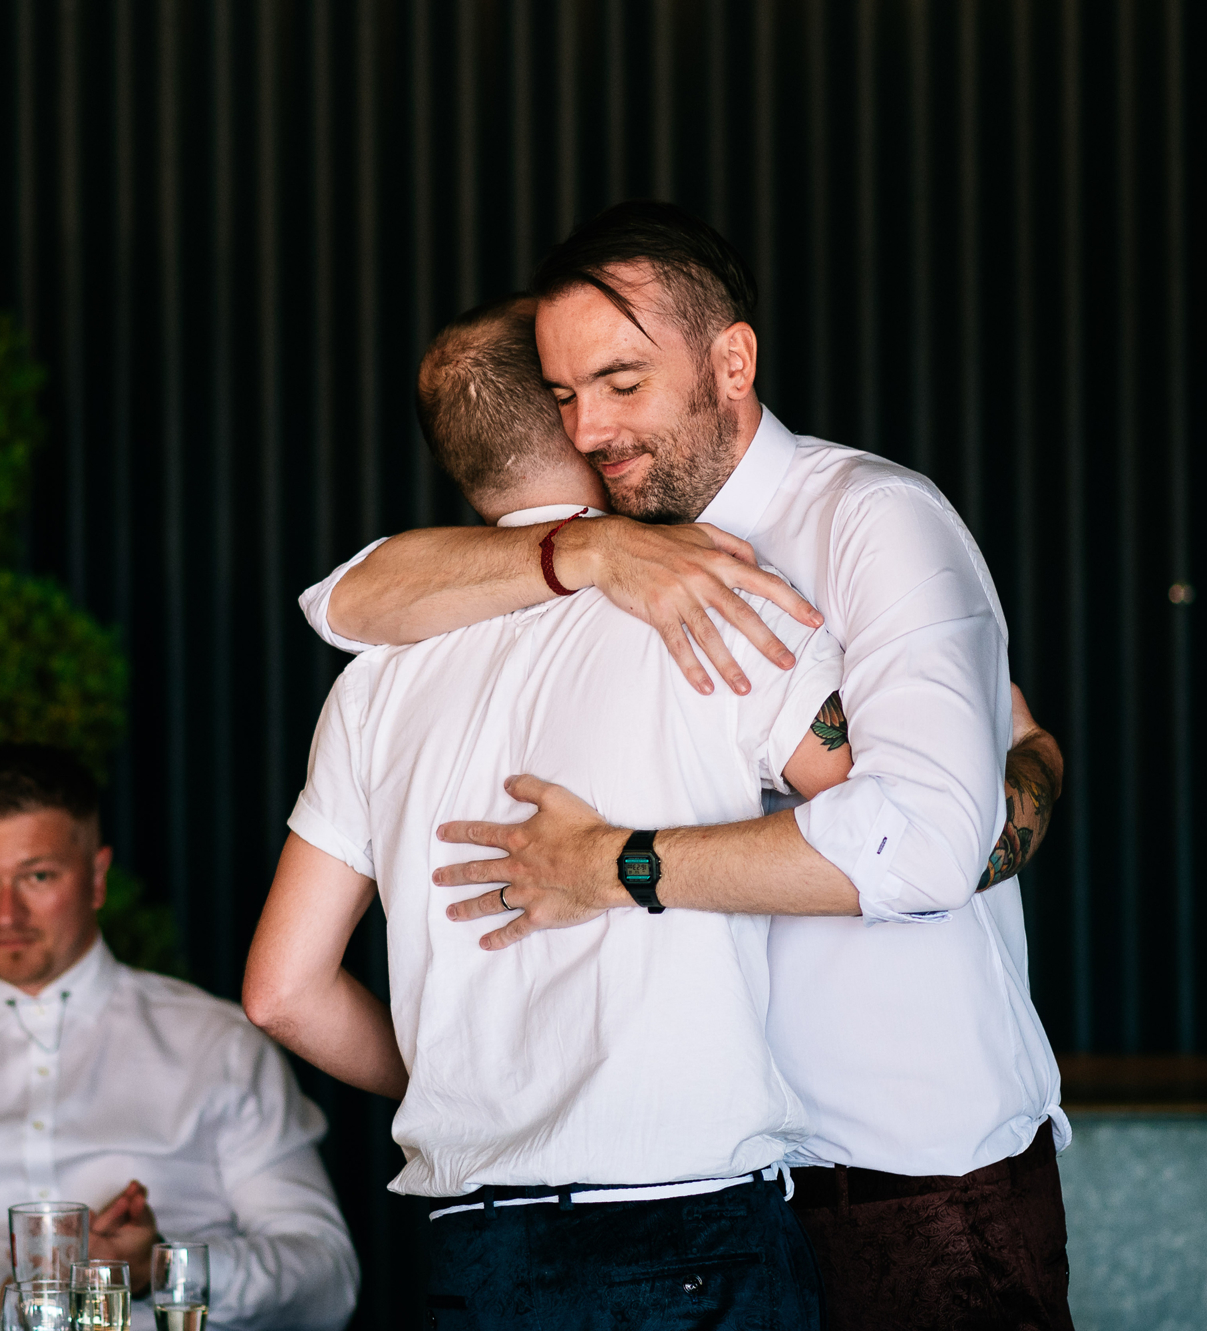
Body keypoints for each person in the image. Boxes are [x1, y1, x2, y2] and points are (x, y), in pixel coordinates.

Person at [297, 202, 1070, 1331]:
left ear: (730, 360)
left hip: (901, 1176)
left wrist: (616, 865)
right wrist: (595, 547)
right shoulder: (603, 554)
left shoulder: (874, 520)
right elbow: (347, 598)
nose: (593, 426)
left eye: (619, 382)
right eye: (563, 398)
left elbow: (925, 845)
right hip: (717, 1195)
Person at [245, 295, 861, 1327]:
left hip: (472, 1246)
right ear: (577, 420)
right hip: (688, 1229)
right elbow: (890, 826)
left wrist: (455, 1075)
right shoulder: (703, 594)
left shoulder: (374, 682)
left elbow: (280, 989)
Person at [0, 744, 358, 1331]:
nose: (5, 914)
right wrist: (25, 1304)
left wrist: (158, 1268)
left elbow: (327, 1278)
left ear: (96, 877)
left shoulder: (217, 1043)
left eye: (37, 875)